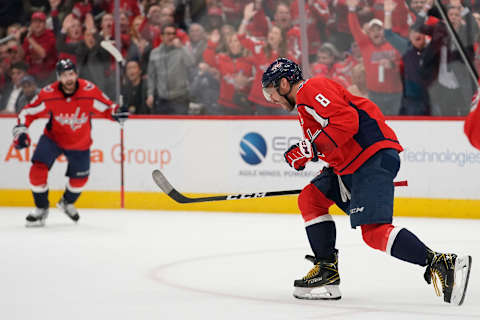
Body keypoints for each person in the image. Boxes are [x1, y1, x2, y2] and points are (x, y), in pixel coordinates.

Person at [261, 57, 472, 305]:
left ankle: (441, 263)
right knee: (311, 199)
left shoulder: (311, 89)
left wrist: (312, 148)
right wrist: (307, 154)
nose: (271, 99)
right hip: (349, 166)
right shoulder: (304, 108)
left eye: (270, 93)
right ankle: (327, 272)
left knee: (373, 233)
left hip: (370, 158)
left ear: (284, 84)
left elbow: (347, 122)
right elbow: (331, 140)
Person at [11, 59, 128, 227]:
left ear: (76, 74)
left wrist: (117, 113)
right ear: (59, 77)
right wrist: (21, 130)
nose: (69, 78)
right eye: (65, 75)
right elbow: (28, 112)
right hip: (53, 139)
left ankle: (67, 202)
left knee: (79, 180)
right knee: (36, 171)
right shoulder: (49, 93)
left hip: (79, 142)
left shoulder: (89, 90)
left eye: (71, 74)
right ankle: (41, 209)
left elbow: (107, 108)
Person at [146, 23, 195, 114]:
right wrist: (150, 94)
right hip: (162, 99)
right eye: (168, 34)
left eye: (173, 34)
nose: (171, 37)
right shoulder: (154, 53)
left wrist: (181, 47)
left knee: (180, 126)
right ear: (161, 36)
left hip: (180, 99)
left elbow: (191, 62)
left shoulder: (181, 50)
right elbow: (151, 77)